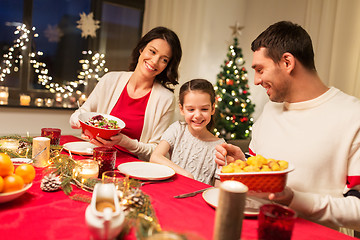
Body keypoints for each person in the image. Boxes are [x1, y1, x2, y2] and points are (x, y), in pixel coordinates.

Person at [215, 21, 360, 232]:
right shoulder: (270, 111)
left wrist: (295, 199)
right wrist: (245, 166)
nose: (255, 80)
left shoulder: (353, 116)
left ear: (287, 62)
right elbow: (265, 178)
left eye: (260, 69)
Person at [70, 26, 182, 161]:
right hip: (96, 158)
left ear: (168, 65)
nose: (154, 61)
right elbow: (80, 114)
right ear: (141, 49)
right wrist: (84, 126)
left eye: (164, 59)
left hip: (134, 169)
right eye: (152, 51)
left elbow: (155, 152)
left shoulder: (166, 99)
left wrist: (123, 141)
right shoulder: (110, 80)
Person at [150, 79, 225, 185]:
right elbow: (155, 157)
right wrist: (186, 175)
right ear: (182, 109)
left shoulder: (220, 146)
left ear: (212, 109)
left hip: (198, 200)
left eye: (204, 109)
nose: (198, 115)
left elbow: (218, 189)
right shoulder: (177, 129)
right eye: (191, 109)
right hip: (171, 192)